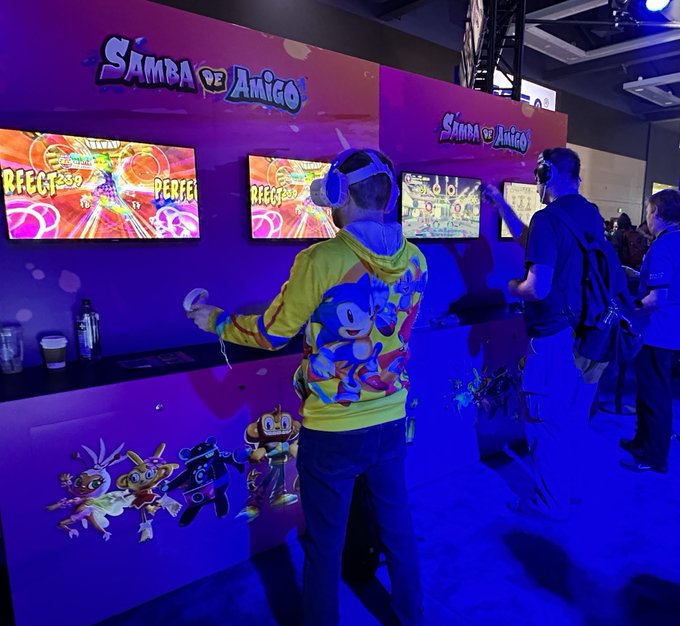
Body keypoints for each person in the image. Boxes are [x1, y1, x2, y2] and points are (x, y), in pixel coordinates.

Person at [188, 148, 427, 625]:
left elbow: (272, 332)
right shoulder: (417, 259)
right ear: (389, 195)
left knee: (324, 544)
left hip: (332, 427)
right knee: (398, 530)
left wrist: (215, 320)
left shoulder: (321, 258)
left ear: (340, 194)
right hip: (391, 417)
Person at [484, 147, 607, 519]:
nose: (536, 184)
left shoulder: (547, 218)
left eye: (538, 176)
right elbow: (531, 239)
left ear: (547, 175)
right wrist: (499, 203)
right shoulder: (588, 213)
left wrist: (512, 287)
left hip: (554, 339)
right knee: (571, 419)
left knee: (546, 422)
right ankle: (565, 488)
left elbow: (537, 288)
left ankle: (549, 502)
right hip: (588, 336)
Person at [620, 189, 680, 473]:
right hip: (671, 330)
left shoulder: (663, 246)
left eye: (648, 212)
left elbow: (657, 298)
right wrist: (637, 275)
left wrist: (630, 311)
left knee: (654, 395)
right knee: (650, 391)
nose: (646, 219)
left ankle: (654, 457)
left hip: (659, 332)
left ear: (657, 213)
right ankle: (641, 442)